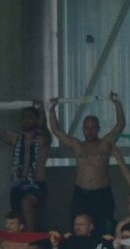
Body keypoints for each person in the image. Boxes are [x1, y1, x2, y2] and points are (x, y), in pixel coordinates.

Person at [47, 93, 125, 230]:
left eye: (93, 127)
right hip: (81, 193)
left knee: (104, 229)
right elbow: (56, 131)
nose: (90, 131)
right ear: (83, 129)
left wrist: (117, 103)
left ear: (98, 128)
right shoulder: (77, 145)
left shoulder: (105, 144)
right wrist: (52, 109)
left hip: (102, 193)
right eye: (86, 128)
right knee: (78, 227)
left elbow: (120, 125)